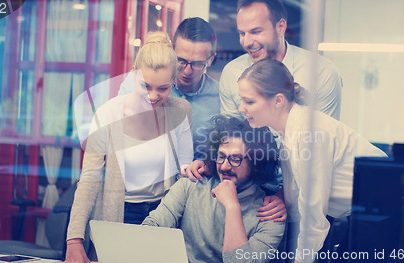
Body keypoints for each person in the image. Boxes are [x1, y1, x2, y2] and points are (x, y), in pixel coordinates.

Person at [237, 59, 387, 263]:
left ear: (278, 100)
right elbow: (297, 196)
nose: (240, 108)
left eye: (249, 101)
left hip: (386, 212)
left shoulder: (309, 133)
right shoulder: (288, 130)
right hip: (362, 214)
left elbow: (314, 217)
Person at [64, 31, 194, 263]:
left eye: (163, 88)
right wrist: (74, 240)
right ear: (134, 72)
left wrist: (197, 168)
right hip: (119, 215)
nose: (153, 96)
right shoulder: (107, 114)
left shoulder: (181, 110)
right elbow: (89, 180)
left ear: (174, 80)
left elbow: (185, 174)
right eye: (146, 85)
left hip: (162, 215)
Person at [142, 115, 285, 263]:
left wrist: (231, 206)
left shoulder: (270, 215)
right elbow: (151, 228)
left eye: (236, 159)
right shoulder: (191, 185)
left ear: (257, 164)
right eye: (221, 156)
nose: (224, 166)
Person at [220, 0, 342, 120]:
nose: (246, 42)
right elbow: (231, 134)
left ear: (280, 27)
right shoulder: (231, 73)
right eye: (242, 33)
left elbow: (323, 135)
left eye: (256, 32)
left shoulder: (322, 73)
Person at [118, 17, 220, 160]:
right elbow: (114, 134)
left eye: (197, 64)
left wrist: (205, 165)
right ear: (171, 51)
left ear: (211, 60)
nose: (187, 71)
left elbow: (220, 152)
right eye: (181, 61)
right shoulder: (138, 82)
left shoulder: (220, 98)